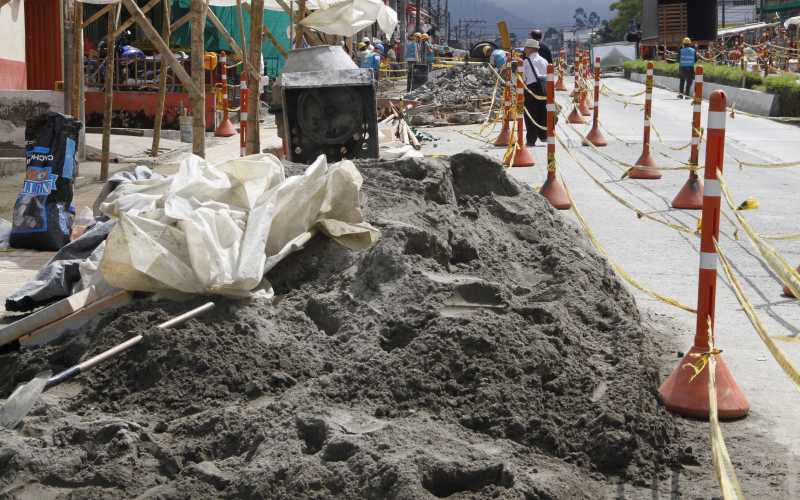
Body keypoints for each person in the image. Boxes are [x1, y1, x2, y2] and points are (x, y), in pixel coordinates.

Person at [522, 39, 548, 147]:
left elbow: (523, 77)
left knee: (530, 115)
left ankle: (531, 140)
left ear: (530, 49)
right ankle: (543, 135)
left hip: (531, 89)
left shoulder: (526, 62)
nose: (525, 50)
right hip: (544, 88)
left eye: (526, 48)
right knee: (543, 112)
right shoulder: (544, 61)